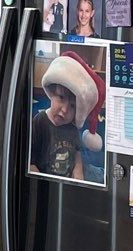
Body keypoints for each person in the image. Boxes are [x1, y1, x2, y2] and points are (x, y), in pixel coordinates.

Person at [31, 53, 103, 182]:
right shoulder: (39, 121)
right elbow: (30, 161)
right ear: (51, 93)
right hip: (49, 181)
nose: (64, 110)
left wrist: (78, 168)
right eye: (61, 98)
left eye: (72, 106)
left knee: (99, 175)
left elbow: (77, 152)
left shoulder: (72, 126)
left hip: (69, 179)